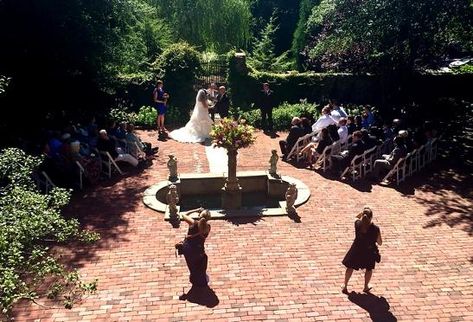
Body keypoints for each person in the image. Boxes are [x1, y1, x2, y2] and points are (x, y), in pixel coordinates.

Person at [342, 207, 382, 294]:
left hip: (356, 250)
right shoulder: (375, 228)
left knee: (350, 267)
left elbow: (356, 218)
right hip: (369, 251)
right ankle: (366, 286)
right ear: (371, 217)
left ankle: (345, 286)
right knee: (369, 269)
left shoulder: (358, 224)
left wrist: (361, 214)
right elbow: (380, 242)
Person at [180, 208, 212, 288]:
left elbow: (183, 215)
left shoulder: (193, 223)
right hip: (199, 250)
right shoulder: (208, 227)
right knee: (199, 265)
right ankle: (199, 281)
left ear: (199, 215)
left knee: (191, 266)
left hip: (188, 249)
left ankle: (194, 281)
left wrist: (195, 210)